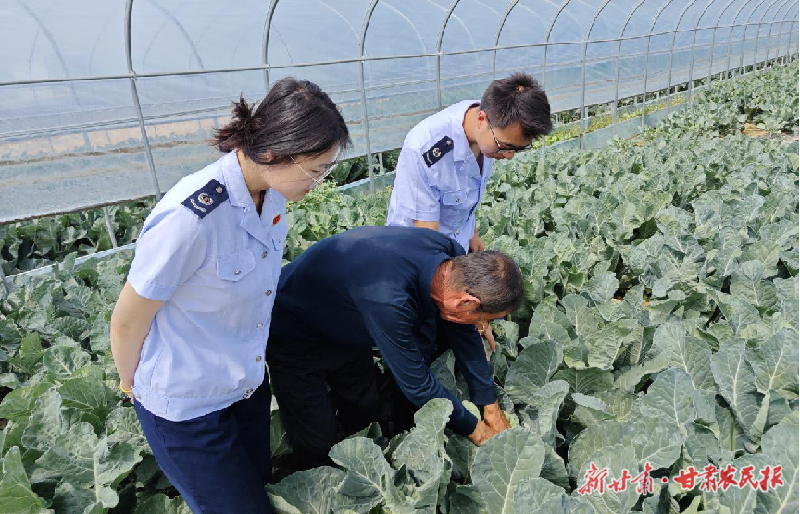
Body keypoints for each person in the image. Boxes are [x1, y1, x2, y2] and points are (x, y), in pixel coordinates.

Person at [109, 78, 350, 514]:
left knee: (255, 490)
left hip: (245, 389)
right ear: (274, 152)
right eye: (316, 169)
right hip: (187, 407)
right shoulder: (192, 218)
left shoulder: (272, 197)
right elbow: (128, 318)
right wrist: (130, 383)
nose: (319, 181)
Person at [267, 225, 524, 472]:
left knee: (364, 412)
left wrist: (490, 405)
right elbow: (418, 385)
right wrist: (478, 432)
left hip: (346, 322)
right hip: (295, 331)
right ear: (466, 302)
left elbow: (463, 332)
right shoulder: (389, 300)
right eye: (485, 318)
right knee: (316, 439)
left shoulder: (454, 261)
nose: (482, 325)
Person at [386, 72, 551, 254]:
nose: (509, 156)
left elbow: (464, 197)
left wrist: (471, 234)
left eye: (518, 149)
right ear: (482, 120)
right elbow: (426, 235)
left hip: (454, 246)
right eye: (505, 146)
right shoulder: (424, 147)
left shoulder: (489, 124)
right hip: (418, 253)